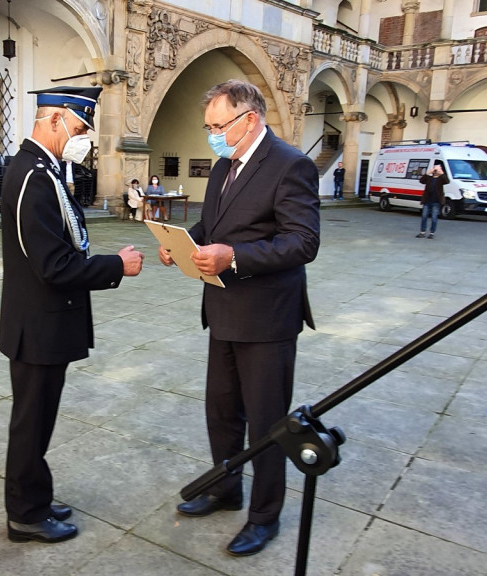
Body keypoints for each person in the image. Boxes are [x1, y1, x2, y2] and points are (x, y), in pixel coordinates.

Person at [158, 79, 319, 558]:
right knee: (222, 413)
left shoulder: (292, 165)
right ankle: (225, 489)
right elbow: (213, 226)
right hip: (223, 309)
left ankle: (264, 516)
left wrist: (236, 257)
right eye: (207, 126)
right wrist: (181, 240)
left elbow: (303, 242)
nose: (211, 134)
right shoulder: (224, 165)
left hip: (268, 318)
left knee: (268, 423)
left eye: (217, 125)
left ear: (249, 119)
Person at [0, 85, 143, 544]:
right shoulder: (33, 175)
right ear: (55, 119)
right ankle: (25, 513)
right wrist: (115, 265)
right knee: (31, 424)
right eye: (80, 127)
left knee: (38, 421)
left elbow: (63, 243)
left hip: (45, 323)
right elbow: (52, 264)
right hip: (37, 326)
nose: (84, 137)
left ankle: (35, 497)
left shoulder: (45, 169)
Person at [417, 162, 448, 239]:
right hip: (427, 200)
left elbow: (447, 181)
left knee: (434, 217)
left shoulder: (441, 179)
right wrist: (427, 173)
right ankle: (422, 232)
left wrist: (442, 173)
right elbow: (421, 181)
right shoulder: (429, 178)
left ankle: (432, 233)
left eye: (437, 169)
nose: (435, 171)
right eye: (435, 169)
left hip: (436, 201)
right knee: (424, 216)